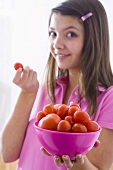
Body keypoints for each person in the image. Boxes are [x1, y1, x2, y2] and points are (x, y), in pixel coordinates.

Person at [1, 0, 113, 169]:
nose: (57, 45)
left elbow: (98, 167)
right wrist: (27, 93)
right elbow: (7, 153)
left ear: (93, 39)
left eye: (70, 34)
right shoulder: (45, 88)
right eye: (53, 33)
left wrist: (76, 162)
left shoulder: (108, 98)